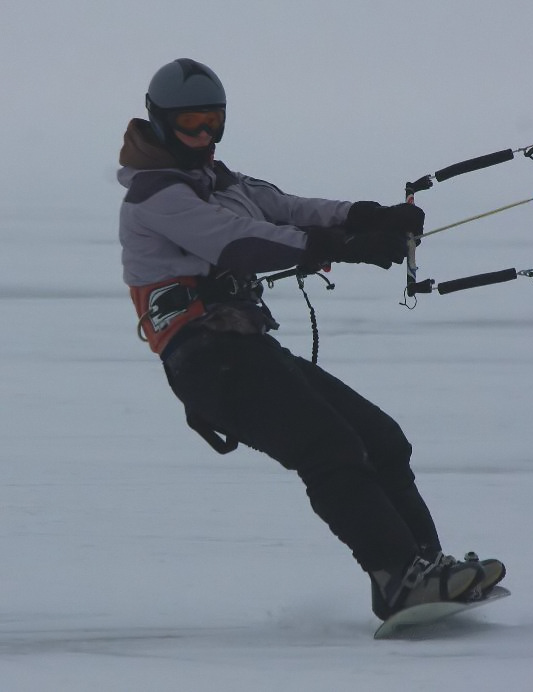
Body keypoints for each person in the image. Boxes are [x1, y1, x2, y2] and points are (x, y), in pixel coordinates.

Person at [117, 58, 505, 621]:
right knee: (329, 447)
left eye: (215, 122)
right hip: (206, 360)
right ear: (158, 122)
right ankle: (399, 579)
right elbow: (240, 242)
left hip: (246, 348)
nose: (205, 135)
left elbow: (286, 208)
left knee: (381, 437)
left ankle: (426, 571)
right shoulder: (156, 197)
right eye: (191, 123)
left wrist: (367, 217)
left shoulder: (219, 181)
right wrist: (342, 247)